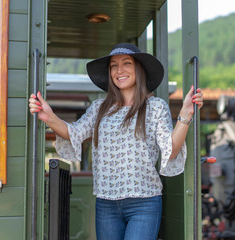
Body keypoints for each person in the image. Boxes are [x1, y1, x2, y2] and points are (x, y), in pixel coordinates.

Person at [28, 42, 203, 240]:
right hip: (106, 204)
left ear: (139, 69)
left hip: (144, 203)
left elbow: (170, 150)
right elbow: (73, 133)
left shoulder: (155, 107)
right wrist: (49, 116)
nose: (119, 70)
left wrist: (186, 112)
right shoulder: (99, 108)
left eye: (126, 63)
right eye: (113, 65)